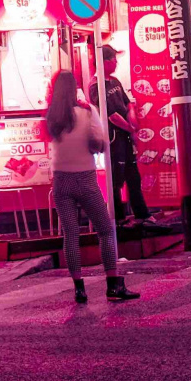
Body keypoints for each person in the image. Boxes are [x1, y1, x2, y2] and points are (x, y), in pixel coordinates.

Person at [47, 70, 140, 303]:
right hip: (85, 180)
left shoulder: (51, 118)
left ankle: (79, 289)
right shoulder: (87, 112)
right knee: (105, 230)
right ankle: (113, 285)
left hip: (60, 181)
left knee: (70, 235)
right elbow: (99, 144)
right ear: (75, 89)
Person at [89, 44, 152, 224]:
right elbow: (111, 116)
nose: (116, 63)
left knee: (133, 176)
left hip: (125, 134)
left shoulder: (115, 81)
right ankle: (118, 219)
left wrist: (132, 117)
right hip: (114, 136)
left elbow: (128, 102)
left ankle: (142, 215)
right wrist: (131, 129)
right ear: (104, 62)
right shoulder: (96, 86)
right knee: (116, 178)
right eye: (113, 59)